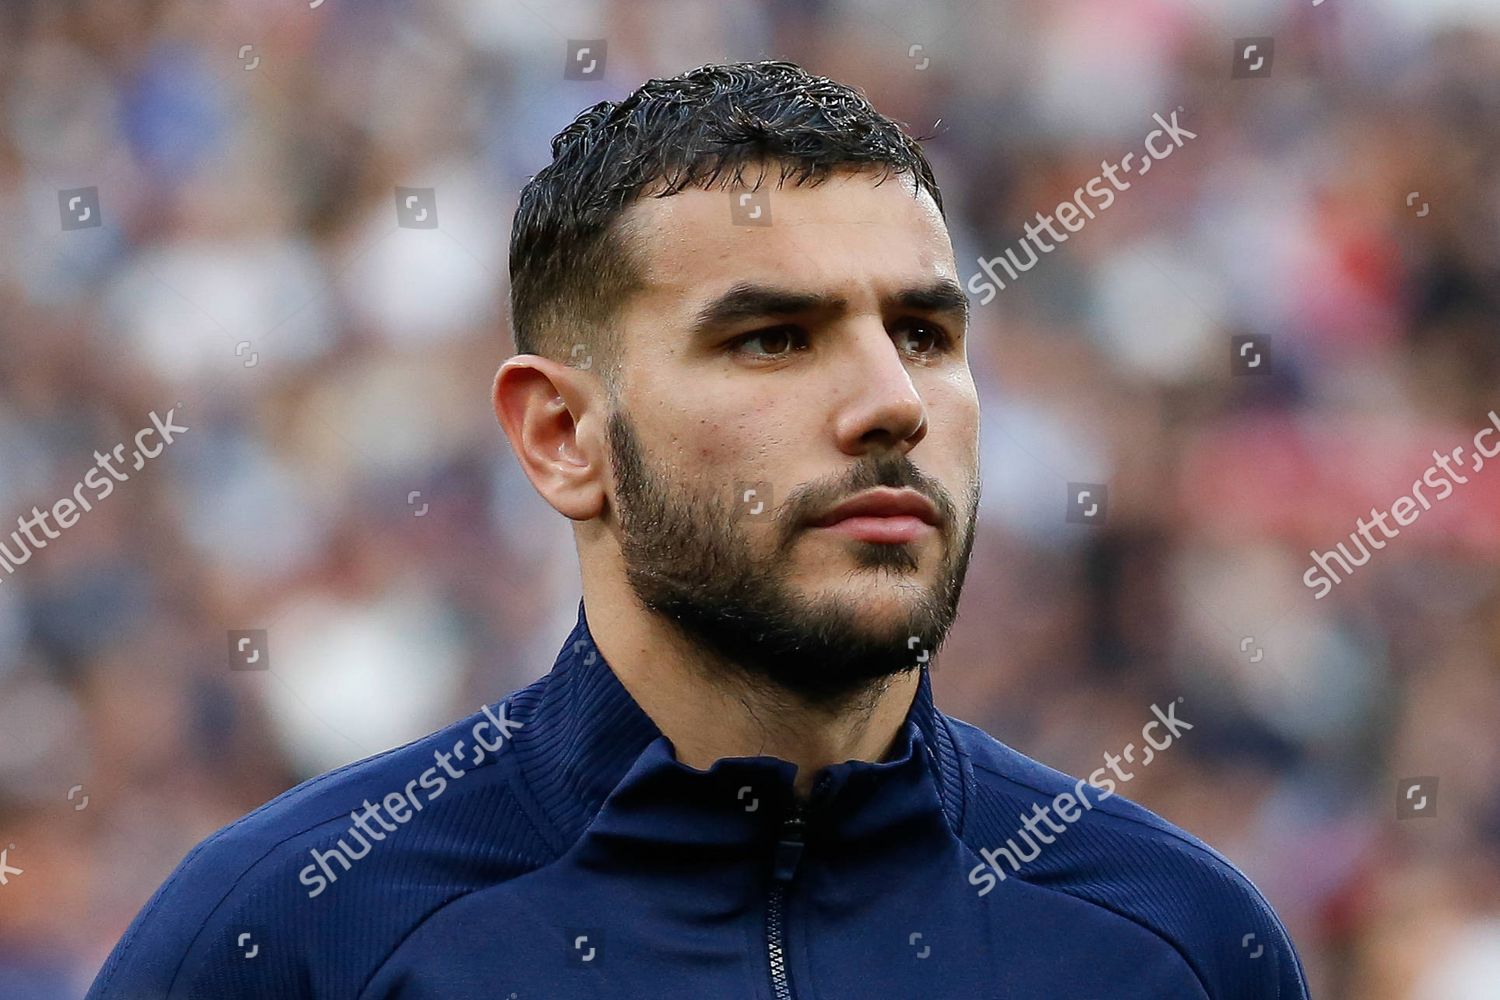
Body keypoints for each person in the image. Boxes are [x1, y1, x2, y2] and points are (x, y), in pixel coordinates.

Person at [86, 60, 1308, 999]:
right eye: (772, 337)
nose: (892, 399)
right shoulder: (299, 929)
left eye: (926, 334)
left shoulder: (1174, 939)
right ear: (564, 434)